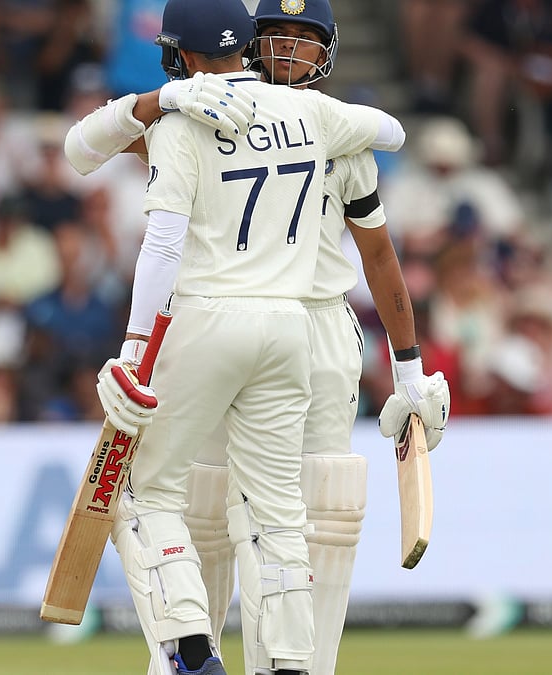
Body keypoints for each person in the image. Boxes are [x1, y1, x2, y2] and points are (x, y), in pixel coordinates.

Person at [66, 1, 442, 672]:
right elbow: (394, 128)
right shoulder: (248, 116)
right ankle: (192, 653)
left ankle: (260, 657)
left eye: (307, 38)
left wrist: (408, 367)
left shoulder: (310, 128)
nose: (293, 51)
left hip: (290, 323)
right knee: (220, 508)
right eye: (281, 36)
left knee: (310, 508)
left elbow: (379, 258)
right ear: (249, 43)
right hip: (280, 330)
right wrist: (171, 99)